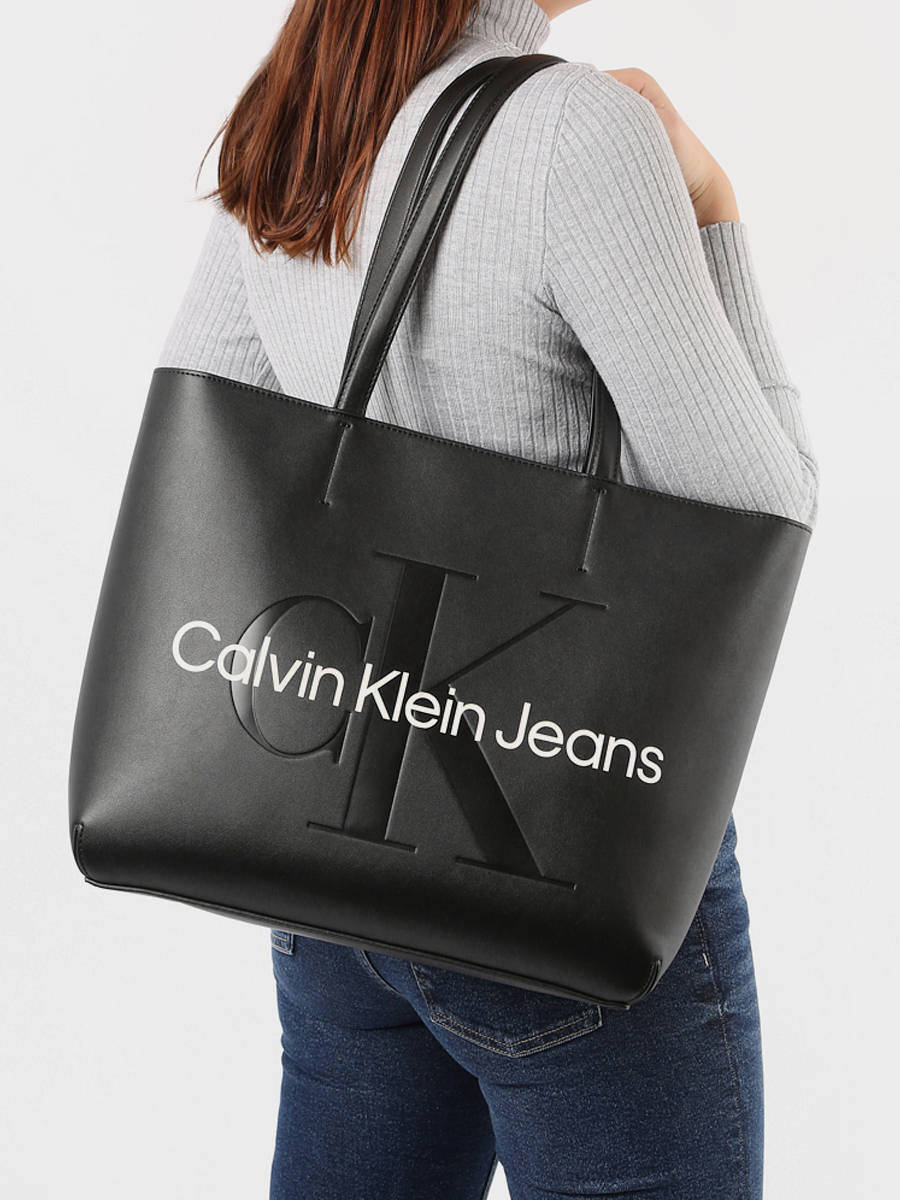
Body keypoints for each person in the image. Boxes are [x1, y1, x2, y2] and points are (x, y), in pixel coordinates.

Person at [158, 1, 819, 1196]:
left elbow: (216, 416)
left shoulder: (309, 100)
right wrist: (715, 211)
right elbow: (759, 514)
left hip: (330, 856)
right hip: (560, 852)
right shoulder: (580, 128)